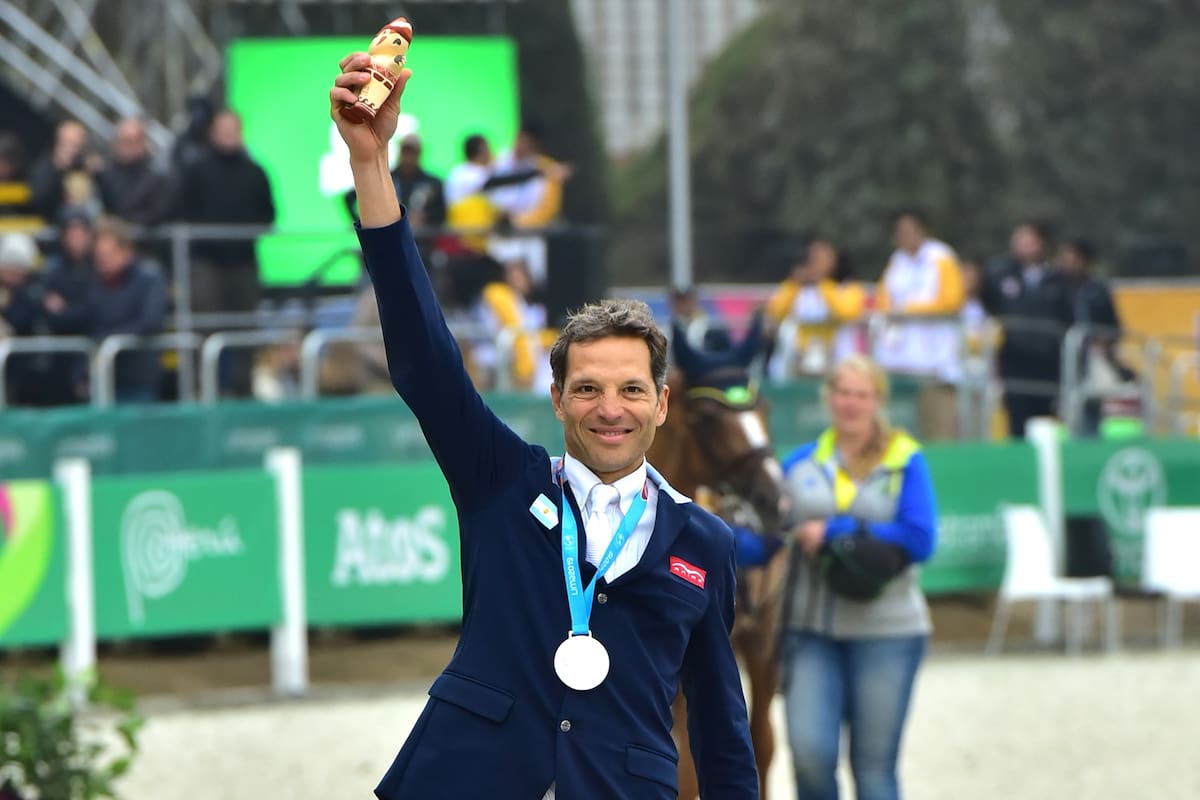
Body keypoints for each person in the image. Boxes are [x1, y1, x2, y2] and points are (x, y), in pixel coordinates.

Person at [329, 52, 757, 800]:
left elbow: (722, 731)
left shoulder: (705, 544)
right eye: (587, 388)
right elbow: (426, 362)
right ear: (557, 400)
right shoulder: (502, 480)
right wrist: (372, 164)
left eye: (631, 389)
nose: (610, 408)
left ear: (661, 403)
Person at [779, 355, 937, 800]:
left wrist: (836, 529)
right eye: (842, 392)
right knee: (809, 757)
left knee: (873, 770)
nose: (850, 403)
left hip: (888, 631)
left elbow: (921, 539)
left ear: (877, 401)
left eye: (861, 394)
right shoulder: (799, 463)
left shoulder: (905, 459)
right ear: (827, 398)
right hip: (811, 632)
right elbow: (772, 538)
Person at [874, 210, 965, 441]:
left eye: (909, 230)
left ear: (921, 230)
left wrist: (908, 311)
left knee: (938, 429)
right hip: (899, 361)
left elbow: (951, 301)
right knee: (899, 430)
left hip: (934, 363)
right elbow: (883, 301)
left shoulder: (941, 257)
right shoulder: (896, 261)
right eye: (900, 232)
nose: (905, 236)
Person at [981, 221, 1075, 438]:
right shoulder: (1001, 275)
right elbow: (990, 304)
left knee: (1048, 422)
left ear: (1042, 244)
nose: (1022, 246)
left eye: (1028, 241)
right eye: (1019, 240)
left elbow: (1068, 317)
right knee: (1017, 420)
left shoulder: (1059, 280)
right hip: (1015, 361)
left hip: (1049, 362)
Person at [87, 216, 168, 403]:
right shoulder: (94, 282)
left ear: (126, 251)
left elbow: (150, 321)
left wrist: (108, 338)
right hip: (103, 376)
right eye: (99, 256)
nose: (103, 261)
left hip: (138, 376)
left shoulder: (149, 277)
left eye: (108, 255)